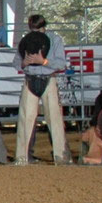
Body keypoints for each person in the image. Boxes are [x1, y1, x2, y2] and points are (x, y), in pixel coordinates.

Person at [14, 14, 70, 165]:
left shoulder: (55, 39)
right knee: (25, 119)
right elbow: (16, 62)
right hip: (30, 79)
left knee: (55, 118)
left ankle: (60, 156)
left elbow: (61, 63)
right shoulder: (26, 40)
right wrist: (24, 63)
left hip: (48, 79)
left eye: (38, 29)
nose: (35, 31)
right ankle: (22, 157)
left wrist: (44, 61)